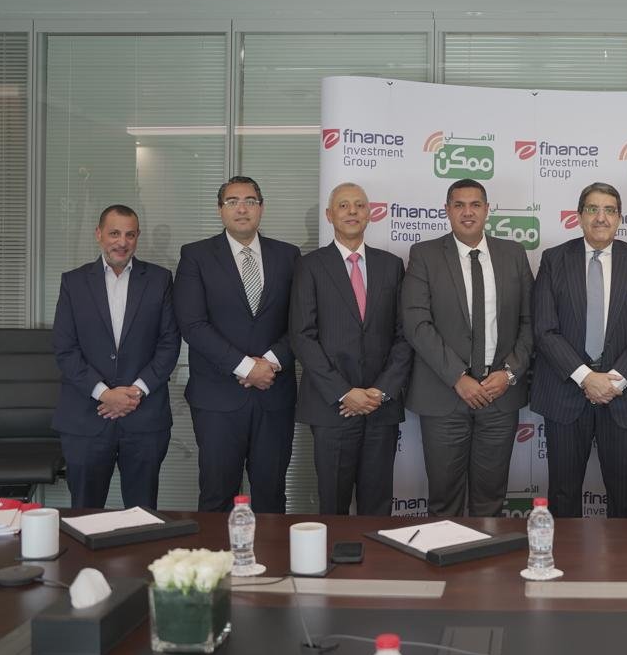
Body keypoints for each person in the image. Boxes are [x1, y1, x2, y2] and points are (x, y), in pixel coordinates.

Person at [400, 178, 533, 517]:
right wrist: (458, 377)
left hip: (499, 395)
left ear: (487, 210)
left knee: (491, 501)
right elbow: (416, 323)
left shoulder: (514, 254)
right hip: (444, 395)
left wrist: (510, 373)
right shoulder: (424, 255)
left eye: (475, 205)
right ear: (447, 211)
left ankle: (487, 555)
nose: (467, 212)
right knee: (444, 502)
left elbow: (530, 321)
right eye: (459, 205)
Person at [531, 183, 627, 518]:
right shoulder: (553, 260)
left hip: (624, 396)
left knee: (626, 498)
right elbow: (545, 329)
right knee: (562, 496)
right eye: (592, 209)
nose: (601, 218)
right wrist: (587, 378)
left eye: (609, 210)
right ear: (579, 216)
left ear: (619, 218)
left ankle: (625, 557)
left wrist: (613, 381)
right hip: (565, 393)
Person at [174, 177, 301, 513]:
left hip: (274, 395)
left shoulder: (288, 256)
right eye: (232, 201)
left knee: (271, 497)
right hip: (217, 399)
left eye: (250, 201)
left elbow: (302, 322)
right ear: (220, 210)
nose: (241, 208)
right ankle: (218, 552)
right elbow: (192, 324)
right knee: (216, 496)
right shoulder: (196, 256)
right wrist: (246, 367)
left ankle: (270, 551)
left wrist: (269, 363)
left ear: (261, 208)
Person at [289, 182, 413, 516]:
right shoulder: (310, 266)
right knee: (333, 504)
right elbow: (302, 336)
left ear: (370, 214)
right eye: (343, 205)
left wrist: (380, 391)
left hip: (380, 407)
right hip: (331, 408)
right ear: (329, 215)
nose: (352, 211)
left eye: (359, 205)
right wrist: (344, 393)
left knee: (378, 506)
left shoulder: (391, 265)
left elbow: (404, 335)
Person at [52, 205, 180, 509]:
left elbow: (169, 343)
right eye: (114, 233)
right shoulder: (73, 282)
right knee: (84, 513)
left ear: (137, 237)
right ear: (99, 234)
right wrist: (104, 394)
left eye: (130, 235)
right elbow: (65, 349)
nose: (122, 242)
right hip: (86, 417)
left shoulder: (159, 279)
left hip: (144, 417)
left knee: (142, 513)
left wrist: (135, 392)